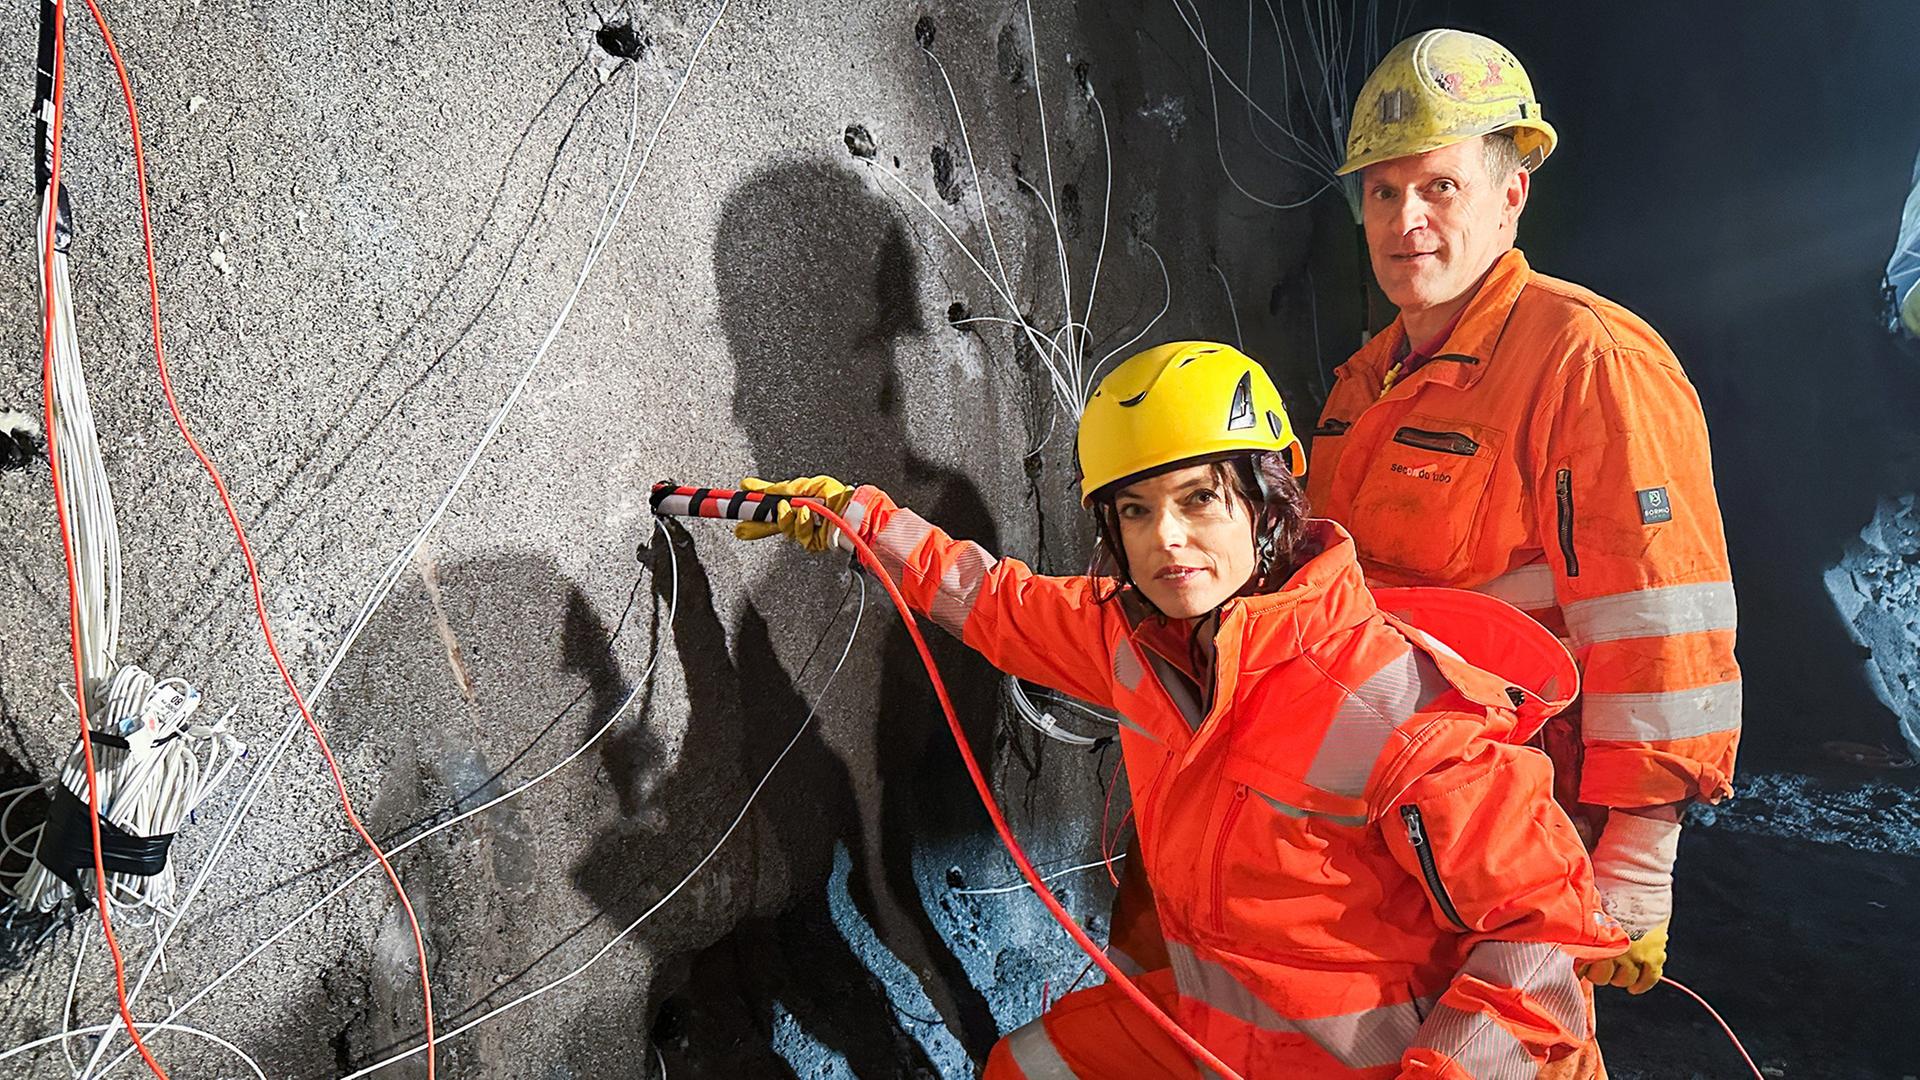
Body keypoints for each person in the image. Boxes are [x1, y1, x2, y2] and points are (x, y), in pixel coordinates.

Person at [735, 340, 1625, 1078]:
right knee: (1028, 1070)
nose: (1166, 537)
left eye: (1200, 498)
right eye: (1134, 510)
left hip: (1374, 1068)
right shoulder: (1143, 640)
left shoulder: (1398, 713)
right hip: (1212, 1029)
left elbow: (1543, 946)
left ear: (1267, 498)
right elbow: (996, 602)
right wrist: (859, 521)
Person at [1308, 28, 1742, 999]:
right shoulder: (1366, 384)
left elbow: (1661, 618)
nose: (1405, 217)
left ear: (1513, 191)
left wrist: (1637, 859)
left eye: (1438, 187)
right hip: (1375, 823)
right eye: (1383, 192)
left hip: (1518, 832)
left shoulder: (1589, 363)